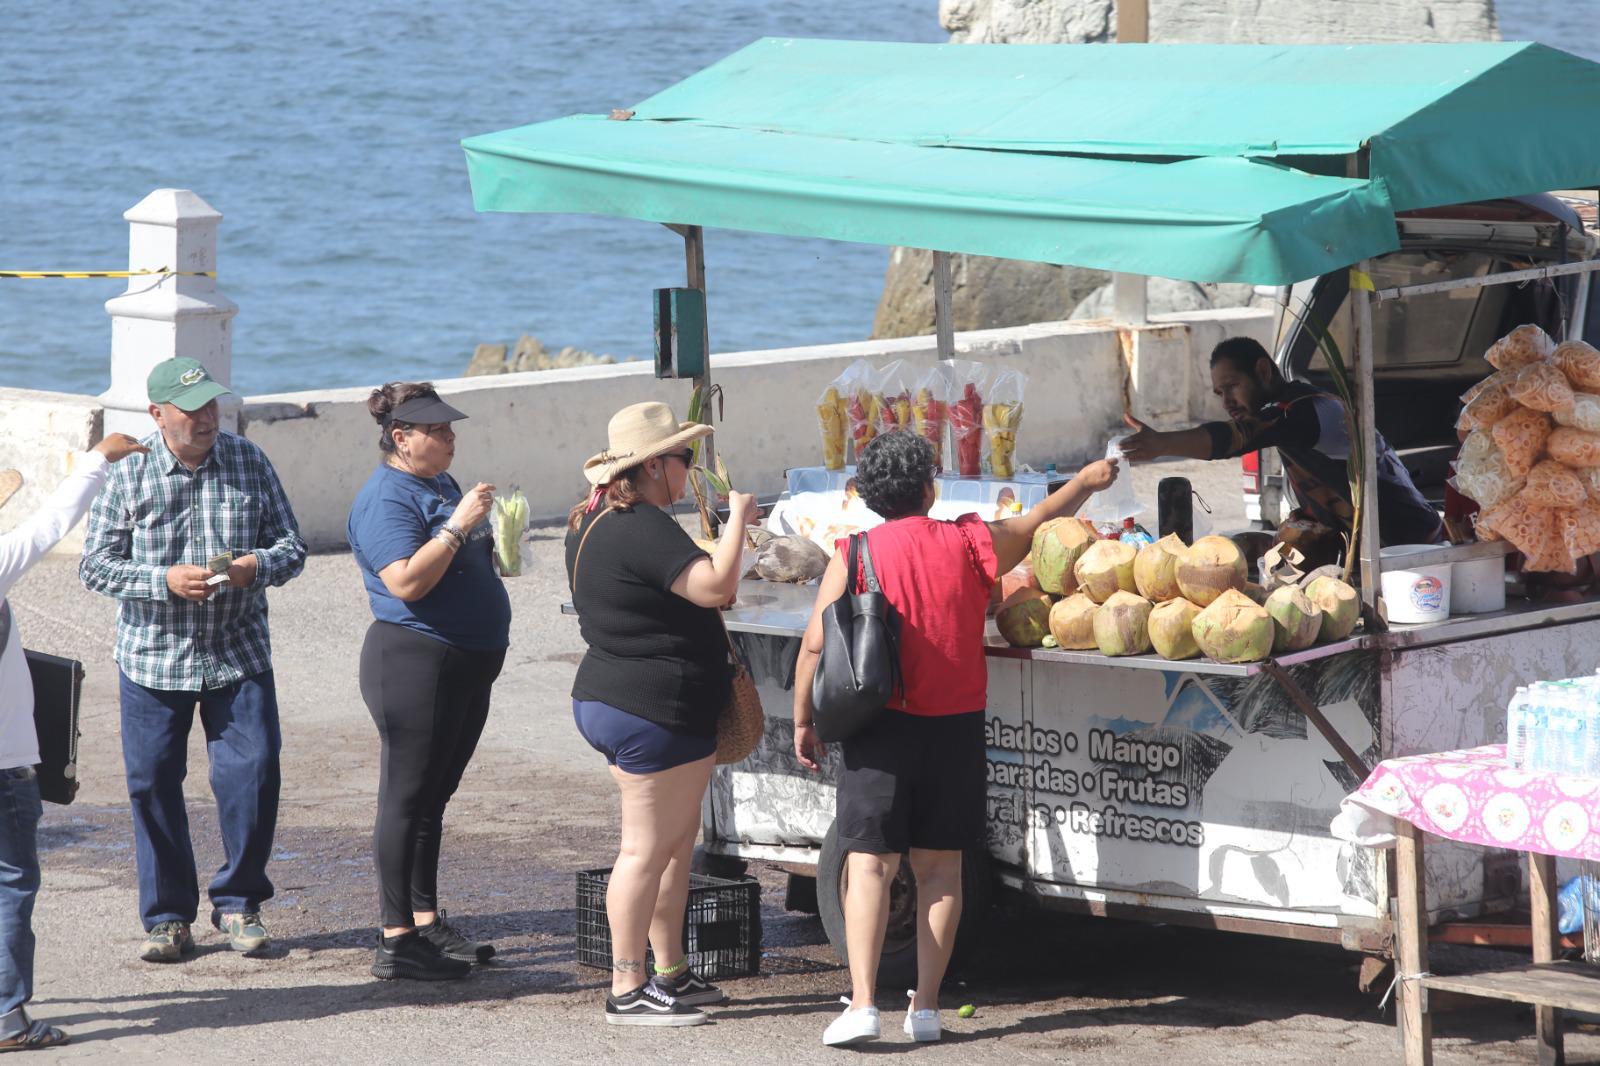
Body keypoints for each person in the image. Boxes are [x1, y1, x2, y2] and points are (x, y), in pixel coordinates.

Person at [792, 431, 1117, 1048]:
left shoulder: (854, 551)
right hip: (956, 727)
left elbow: (815, 645)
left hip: (880, 727)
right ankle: (928, 1009)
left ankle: (863, 1005)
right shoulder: (970, 541)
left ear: (866, 494)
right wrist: (1086, 481)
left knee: (870, 867)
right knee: (941, 871)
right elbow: (1043, 517)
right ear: (929, 487)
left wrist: (804, 719)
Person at [80, 358, 307, 962]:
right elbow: (94, 565)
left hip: (238, 651)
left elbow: (292, 547)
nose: (207, 418)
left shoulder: (249, 459)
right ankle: (167, 917)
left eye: (212, 406)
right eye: (192, 409)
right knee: (152, 784)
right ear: (157, 415)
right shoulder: (128, 474)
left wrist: (251, 567)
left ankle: (239, 904)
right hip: (154, 659)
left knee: (255, 776)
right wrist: (163, 580)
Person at [565, 401, 757, 1027]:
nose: (689, 470)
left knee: (675, 846)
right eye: (684, 459)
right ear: (653, 466)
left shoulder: (591, 518)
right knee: (646, 850)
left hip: (619, 697)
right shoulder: (641, 523)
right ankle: (627, 987)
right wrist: (738, 521)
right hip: (651, 706)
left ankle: (669, 971)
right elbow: (715, 588)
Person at [346, 382, 510, 981]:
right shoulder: (385, 497)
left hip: (466, 660)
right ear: (401, 438)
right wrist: (459, 525)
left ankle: (425, 919)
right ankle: (397, 942)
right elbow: (407, 583)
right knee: (404, 800)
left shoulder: (437, 482)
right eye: (437, 431)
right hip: (415, 661)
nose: (450, 437)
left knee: (433, 798)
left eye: (449, 428)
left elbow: (462, 561)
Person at [0, 433, 147, 1050]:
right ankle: (7, 1020)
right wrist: (99, 459)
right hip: (7, 766)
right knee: (10, 884)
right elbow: (51, 522)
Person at [1119, 336, 1443, 548]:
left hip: (1410, 545)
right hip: (1372, 548)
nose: (1227, 402)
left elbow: (1234, 438)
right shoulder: (1287, 413)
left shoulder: (1305, 410)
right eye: (1220, 393)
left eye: (1232, 386)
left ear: (1263, 371)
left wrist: (1162, 444)